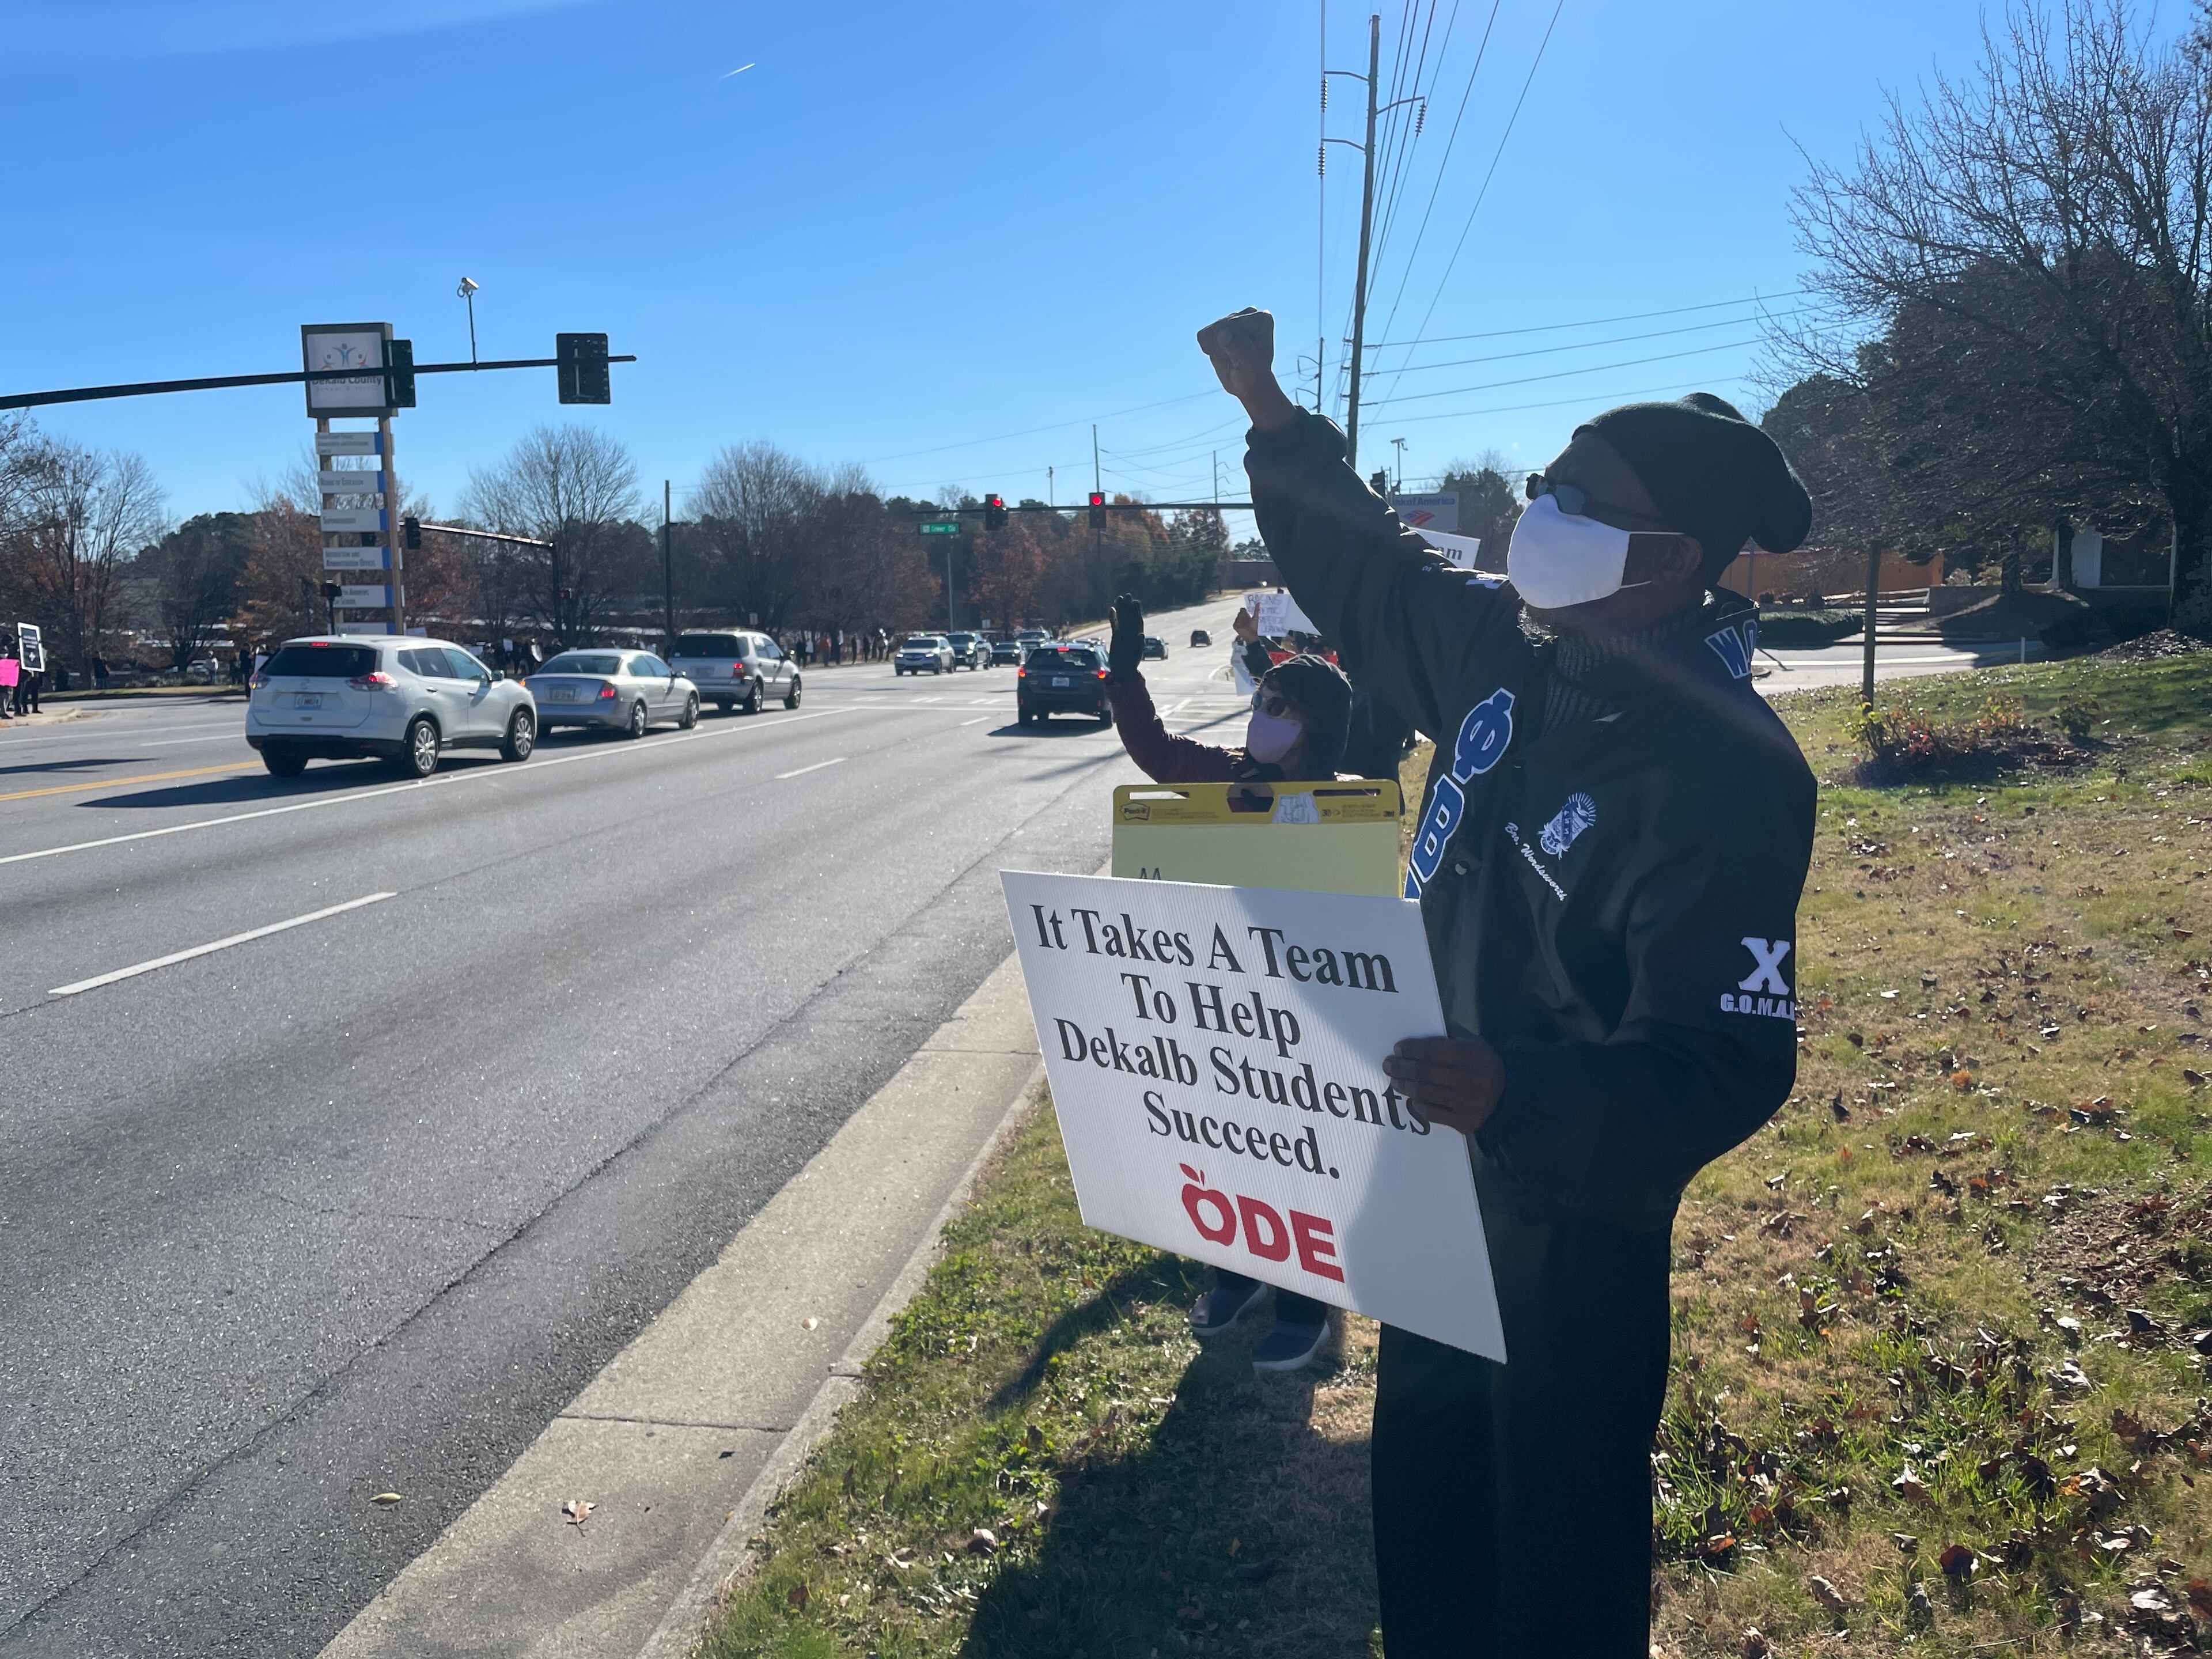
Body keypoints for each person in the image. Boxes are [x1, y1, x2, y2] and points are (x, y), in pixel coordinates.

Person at [1198, 306, 1815, 1657]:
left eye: (1588, 501)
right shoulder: (1508, 655)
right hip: (1435, 1179)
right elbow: (1369, 574)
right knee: (1427, 1487)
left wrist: (1516, 1091)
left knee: (1557, 1519)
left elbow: (1726, 1059)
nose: (1547, 511)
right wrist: (1271, 414)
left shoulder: (1727, 769)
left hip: (1573, 1213)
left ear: (1678, 557)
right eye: (1551, 481)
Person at [1104, 589, 1354, 1372]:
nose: (1263, 713)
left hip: (1307, 1014)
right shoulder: (1220, 778)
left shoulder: (1347, 810)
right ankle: (1235, 1274)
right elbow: (1153, 750)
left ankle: (1304, 1304)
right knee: (1228, 1145)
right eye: (1264, 698)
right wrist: (1124, 666)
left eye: (1282, 706)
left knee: (1299, 1158)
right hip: (1221, 1010)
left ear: (1315, 729)